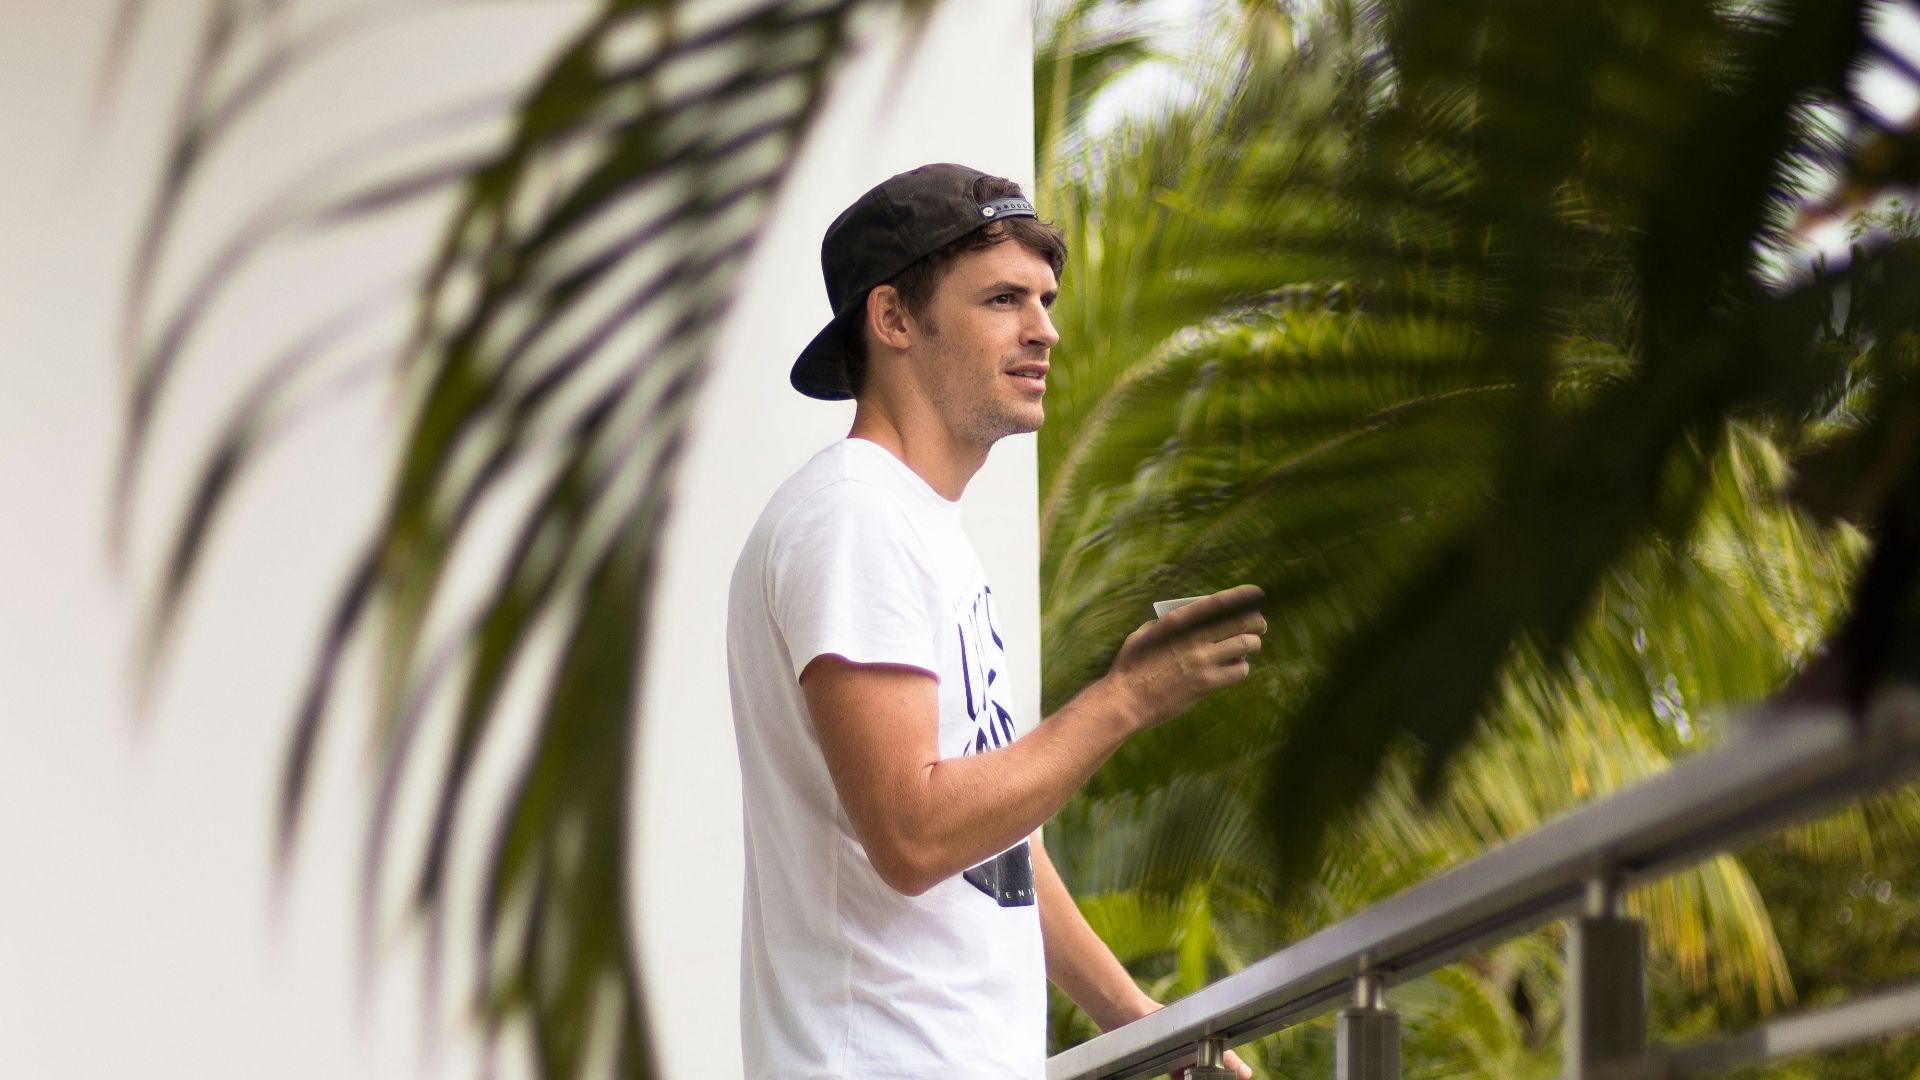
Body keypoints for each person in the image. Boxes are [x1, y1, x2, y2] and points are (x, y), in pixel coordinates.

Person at [726, 162, 1265, 1079]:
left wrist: (1138, 1022)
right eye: (1004, 299)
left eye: (1045, 299)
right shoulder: (855, 515)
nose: (1044, 330)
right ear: (893, 319)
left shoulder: (917, 525)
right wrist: (1124, 701)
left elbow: (995, 845)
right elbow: (914, 833)